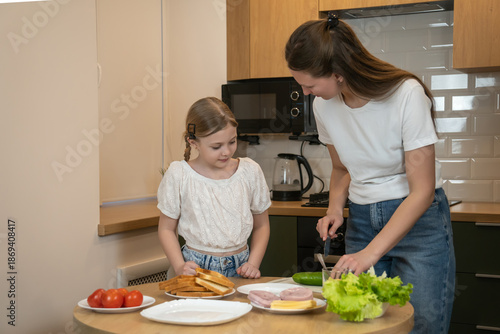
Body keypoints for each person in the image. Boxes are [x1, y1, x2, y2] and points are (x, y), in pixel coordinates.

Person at [285, 14, 455, 334]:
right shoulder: (324, 105)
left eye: (309, 84)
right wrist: (335, 209)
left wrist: (369, 254)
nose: (305, 93)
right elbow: (341, 168)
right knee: (364, 323)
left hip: (417, 221)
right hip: (363, 217)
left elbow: (422, 191)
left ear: (338, 74)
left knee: (423, 324)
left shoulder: (406, 94)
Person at [157, 97, 271, 279]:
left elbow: (262, 225)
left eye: (232, 142)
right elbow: (166, 229)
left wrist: (253, 264)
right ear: (193, 143)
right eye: (216, 146)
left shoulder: (250, 171)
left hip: (241, 268)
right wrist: (179, 267)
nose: (226, 151)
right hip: (195, 269)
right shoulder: (179, 174)